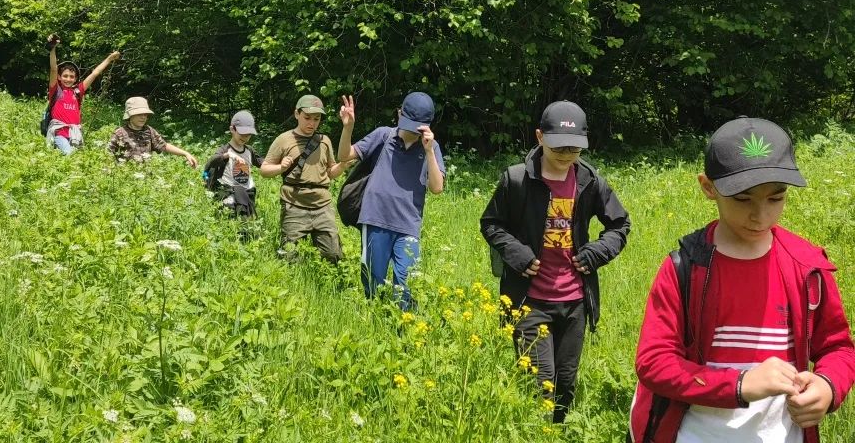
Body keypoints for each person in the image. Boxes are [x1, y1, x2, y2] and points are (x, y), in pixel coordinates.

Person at [629, 117, 855, 443]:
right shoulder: (685, 266)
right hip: (695, 434)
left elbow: (838, 348)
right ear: (709, 187)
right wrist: (739, 384)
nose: (760, 215)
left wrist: (828, 386)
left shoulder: (807, 268)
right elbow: (653, 362)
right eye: (743, 198)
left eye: (775, 198)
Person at [479, 100, 630, 423]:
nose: (565, 155)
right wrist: (516, 252)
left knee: (565, 385)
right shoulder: (517, 179)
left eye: (574, 149)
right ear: (539, 137)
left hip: (575, 301)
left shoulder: (590, 181)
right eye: (558, 147)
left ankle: (559, 431)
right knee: (540, 386)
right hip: (529, 300)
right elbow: (491, 223)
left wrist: (596, 252)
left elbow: (620, 225)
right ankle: (538, 432)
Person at [336, 92, 445, 310]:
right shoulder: (383, 135)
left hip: (408, 224)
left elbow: (437, 188)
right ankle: (374, 320)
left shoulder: (431, 148)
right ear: (399, 114)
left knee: (407, 283)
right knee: (373, 281)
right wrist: (348, 127)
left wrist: (429, 152)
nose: (412, 131)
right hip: (375, 218)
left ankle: (404, 327)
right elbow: (344, 156)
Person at [260, 95, 348, 263]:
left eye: (316, 119)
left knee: (333, 256)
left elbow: (330, 172)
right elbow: (264, 170)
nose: (312, 123)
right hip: (294, 204)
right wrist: (281, 168)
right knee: (289, 257)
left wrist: (343, 166)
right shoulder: (284, 139)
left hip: (322, 205)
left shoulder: (324, 141)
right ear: (296, 114)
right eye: (307, 117)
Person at [44, 35, 120, 156]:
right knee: (70, 154)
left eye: (72, 77)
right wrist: (52, 48)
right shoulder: (56, 90)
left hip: (75, 134)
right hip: (59, 133)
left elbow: (95, 73)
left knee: (77, 159)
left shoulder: (78, 91)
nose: (68, 79)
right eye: (65, 76)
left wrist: (109, 59)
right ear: (59, 77)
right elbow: (53, 68)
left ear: (75, 79)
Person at [204, 110, 264, 220]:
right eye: (242, 133)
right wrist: (229, 155)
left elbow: (264, 164)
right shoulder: (225, 149)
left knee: (247, 223)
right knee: (229, 220)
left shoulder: (249, 150)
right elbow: (211, 162)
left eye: (248, 134)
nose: (245, 137)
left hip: (246, 193)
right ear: (232, 129)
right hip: (228, 193)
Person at [107, 96, 198, 166]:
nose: (143, 117)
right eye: (139, 114)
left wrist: (185, 153)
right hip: (126, 176)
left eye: (145, 114)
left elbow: (164, 146)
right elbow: (108, 154)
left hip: (146, 178)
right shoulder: (120, 133)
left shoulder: (149, 131)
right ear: (130, 115)